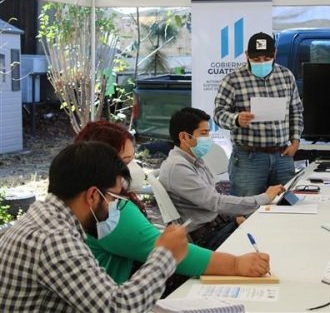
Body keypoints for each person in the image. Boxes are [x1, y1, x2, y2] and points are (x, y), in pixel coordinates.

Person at [75, 120, 271, 285]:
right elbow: (166, 252)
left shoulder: (91, 200)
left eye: (132, 160)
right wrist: (235, 265)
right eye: (125, 162)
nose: (131, 169)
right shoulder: (110, 209)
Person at [0, 141, 189, 311]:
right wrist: (166, 255)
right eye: (113, 198)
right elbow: (118, 307)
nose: (115, 206)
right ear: (92, 195)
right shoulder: (53, 239)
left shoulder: (46, 220)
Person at [160, 107, 285, 250]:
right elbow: (216, 202)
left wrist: (235, 216)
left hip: (219, 226)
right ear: (184, 137)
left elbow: (217, 197)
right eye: (203, 133)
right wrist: (264, 198)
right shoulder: (177, 168)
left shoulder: (195, 160)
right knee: (271, 243)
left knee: (272, 231)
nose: (208, 138)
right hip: (207, 237)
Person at [214, 31, 304, 197]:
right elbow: (218, 114)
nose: (261, 63)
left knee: (286, 205)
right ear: (247, 55)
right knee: (246, 209)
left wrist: (296, 140)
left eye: (266, 59)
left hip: (283, 154)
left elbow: (296, 111)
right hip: (249, 157)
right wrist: (236, 119)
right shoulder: (233, 80)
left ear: (274, 54)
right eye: (256, 59)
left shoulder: (286, 76)